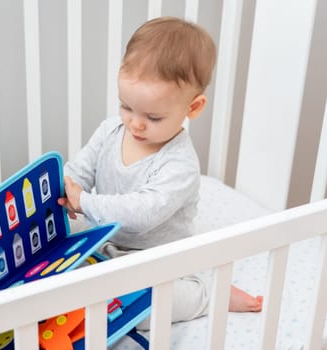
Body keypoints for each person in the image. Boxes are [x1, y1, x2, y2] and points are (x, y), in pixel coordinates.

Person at [58, 16, 263, 323]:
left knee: (139, 313)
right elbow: (80, 171)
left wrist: (85, 202)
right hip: (103, 244)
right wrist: (65, 187)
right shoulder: (110, 131)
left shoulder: (180, 164)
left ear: (192, 108)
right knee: (56, 274)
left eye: (153, 117)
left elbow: (142, 214)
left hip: (155, 260)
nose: (135, 123)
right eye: (126, 107)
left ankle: (208, 294)